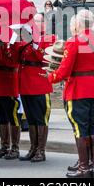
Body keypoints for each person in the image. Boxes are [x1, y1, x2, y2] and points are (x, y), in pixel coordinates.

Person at [48, 10, 94, 178]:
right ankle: (91, 166)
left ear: (79, 24)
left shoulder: (74, 42)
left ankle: (84, 168)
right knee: (92, 128)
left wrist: (50, 78)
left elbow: (64, 70)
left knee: (80, 130)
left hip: (78, 90)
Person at [18, 12, 55, 163]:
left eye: (39, 22)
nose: (36, 24)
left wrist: (33, 44)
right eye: (34, 22)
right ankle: (33, 148)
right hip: (26, 82)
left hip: (40, 82)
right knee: (31, 118)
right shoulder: (26, 38)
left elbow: (45, 59)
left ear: (45, 24)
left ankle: (41, 150)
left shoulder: (49, 39)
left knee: (40, 119)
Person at [0, 41, 21, 161]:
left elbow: (13, 61)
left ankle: (15, 148)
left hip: (8, 82)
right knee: (1, 117)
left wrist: (3, 47)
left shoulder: (14, 44)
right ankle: (4, 146)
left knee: (12, 116)